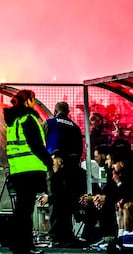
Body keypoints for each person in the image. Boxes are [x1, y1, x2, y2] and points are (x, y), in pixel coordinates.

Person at [5, 90, 52, 254]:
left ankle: (17, 244)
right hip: (31, 170)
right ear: (28, 101)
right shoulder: (28, 119)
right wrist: (49, 161)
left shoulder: (13, 121)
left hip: (17, 170)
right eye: (33, 99)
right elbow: (36, 145)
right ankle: (24, 246)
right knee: (25, 211)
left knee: (20, 209)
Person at [42, 101, 83, 247]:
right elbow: (79, 150)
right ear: (68, 112)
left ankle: (55, 236)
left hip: (53, 166)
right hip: (71, 169)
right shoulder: (75, 127)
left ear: (55, 110)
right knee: (67, 201)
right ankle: (67, 235)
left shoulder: (48, 123)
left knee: (54, 200)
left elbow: (41, 144)